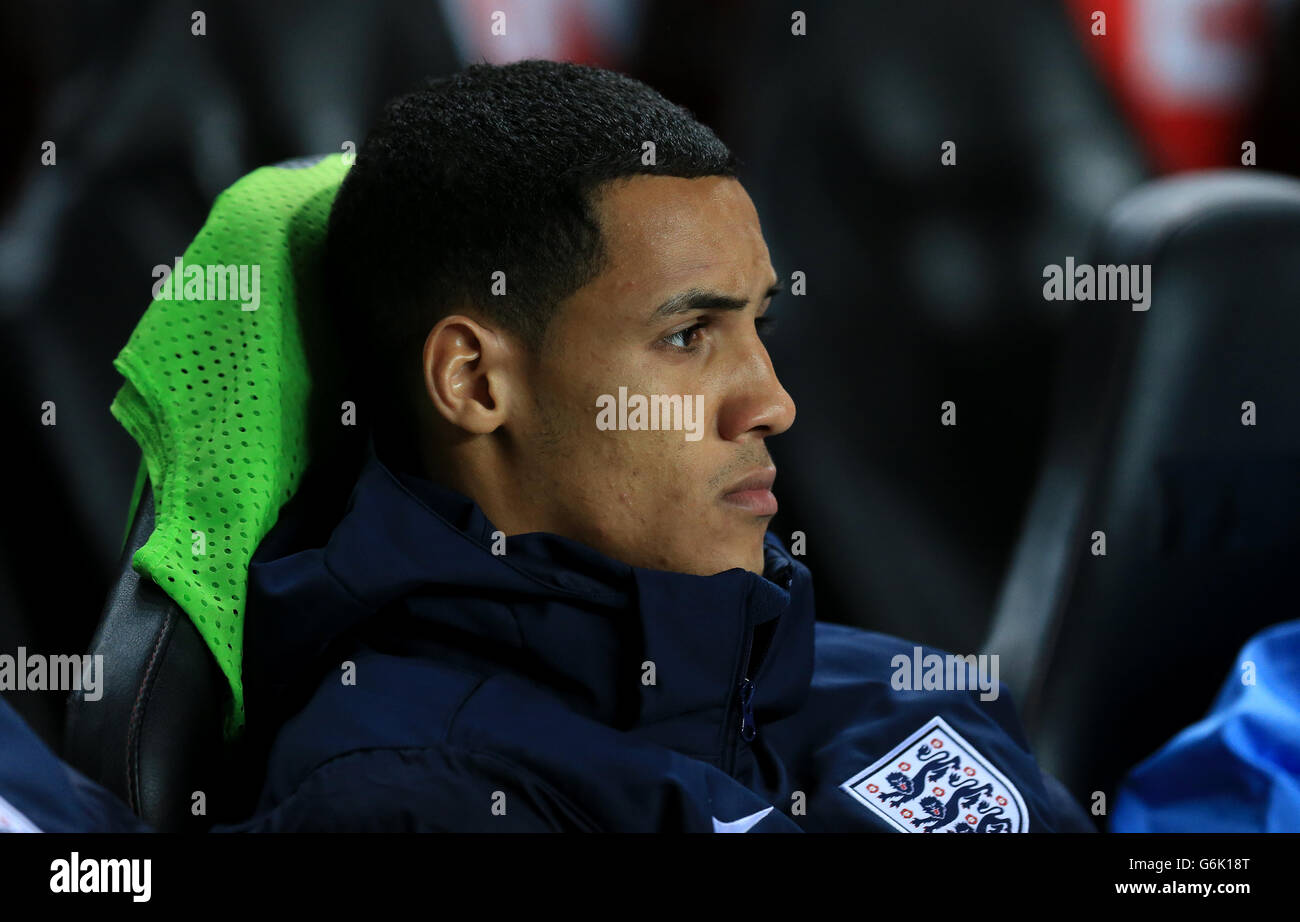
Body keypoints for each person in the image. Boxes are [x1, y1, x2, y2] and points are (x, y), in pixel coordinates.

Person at [0, 60, 1094, 833]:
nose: (769, 402)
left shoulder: (894, 684)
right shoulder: (417, 794)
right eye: (686, 336)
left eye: (756, 325)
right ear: (475, 382)